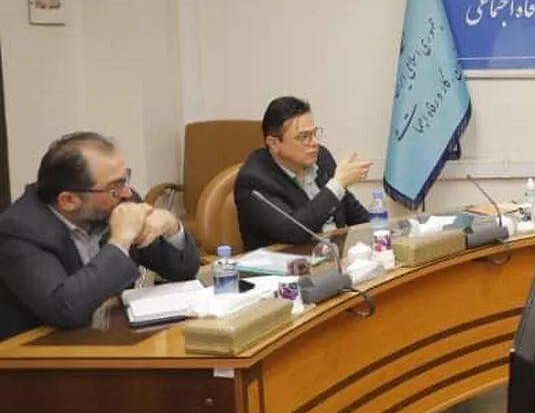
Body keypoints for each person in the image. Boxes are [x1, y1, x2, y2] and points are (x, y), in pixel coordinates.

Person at [0, 132, 201, 340]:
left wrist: (172, 228)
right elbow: (64, 309)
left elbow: (183, 271)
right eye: (114, 187)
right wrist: (120, 242)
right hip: (37, 350)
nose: (127, 192)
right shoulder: (18, 230)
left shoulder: (117, 202)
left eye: (125, 179)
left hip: (110, 337)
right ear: (69, 200)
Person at [234, 96, 373, 251]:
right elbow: (295, 230)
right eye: (304, 137)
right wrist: (337, 185)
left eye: (314, 133)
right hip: (289, 262)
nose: (314, 143)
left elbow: (353, 212)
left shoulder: (322, 158)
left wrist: (381, 231)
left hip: (334, 257)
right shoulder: (254, 181)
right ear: (273, 143)